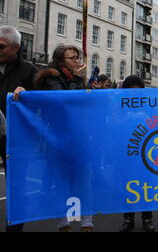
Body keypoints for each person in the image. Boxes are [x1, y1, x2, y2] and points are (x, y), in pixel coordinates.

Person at [34, 44, 94, 232]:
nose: (77, 61)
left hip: (80, 138)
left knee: (84, 180)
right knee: (62, 182)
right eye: (72, 58)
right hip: (59, 139)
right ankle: (63, 222)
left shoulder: (77, 79)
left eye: (78, 57)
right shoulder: (51, 78)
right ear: (61, 61)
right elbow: (64, 102)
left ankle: (87, 222)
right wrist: (78, 79)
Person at [0, 26, 38, 232]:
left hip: (15, 139)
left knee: (16, 185)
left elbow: (43, 101)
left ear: (15, 47)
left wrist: (28, 93)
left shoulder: (29, 70)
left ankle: (14, 228)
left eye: (2, 47)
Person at [118, 75, 155, 233]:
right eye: (131, 90)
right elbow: (111, 124)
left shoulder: (149, 104)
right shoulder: (119, 105)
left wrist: (145, 119)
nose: (135, 93)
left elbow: (156, 122)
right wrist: (125, 120)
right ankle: (128, 219)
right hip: (125, 151)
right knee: (128, 185)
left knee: (146, 186)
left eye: (138, 90)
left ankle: (147, 219)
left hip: (145, 151)